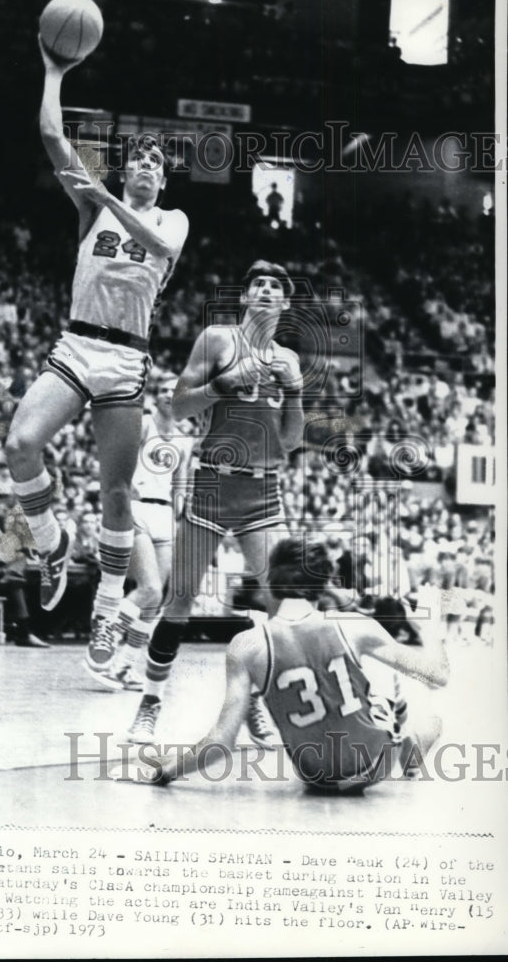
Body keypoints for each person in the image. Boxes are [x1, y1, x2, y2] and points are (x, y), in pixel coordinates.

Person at [5, 38, 189, 672]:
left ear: (160, 180)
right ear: (124, 167)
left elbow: (151, 241)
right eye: (135, 158)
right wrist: (54, 73)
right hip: (77, 344)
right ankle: (52, 543)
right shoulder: (92, 206)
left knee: (117, 495)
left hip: (126, 361)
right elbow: (55, 139)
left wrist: (106, 198)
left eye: (152, 163)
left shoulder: (172, 220)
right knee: (19, 445)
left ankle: (106, 613)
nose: (142, 166)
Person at [127, 261, 304, 743]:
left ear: (285, 304)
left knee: (282, 602)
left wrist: (296, 389)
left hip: (264, 490)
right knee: (179, 597)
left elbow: (290, 440)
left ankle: (254, 704)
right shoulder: (218, 339)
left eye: (276, 287)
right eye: (258, 284)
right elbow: (178, 405)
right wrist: (227, 382)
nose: (266, 290)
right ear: (246, 297)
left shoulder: (287, 357)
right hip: (213, 482)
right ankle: (149, 703)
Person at [130, 538, 449, 790]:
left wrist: (163, 773)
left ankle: (399, 736)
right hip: (373, 765)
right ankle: (408, 751)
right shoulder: (354, 625)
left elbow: (221, 742)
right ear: (324, 584)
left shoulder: (247, 645)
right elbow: (437, 677)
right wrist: (432, 630)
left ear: (272, 582)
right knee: (431, 719)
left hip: (315, 776)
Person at [86, 375, 192, 691]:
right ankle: (102, 645)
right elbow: (115, 460)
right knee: (147, 587)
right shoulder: (144, 425)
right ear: (154, 397)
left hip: (164, 516)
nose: (167, 396)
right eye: (161, 391)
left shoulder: (186, 440)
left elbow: (181, 484)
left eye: (173, 391)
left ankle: (124, 666)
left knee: (156, 598)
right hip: (138, 508)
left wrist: (180, 515)